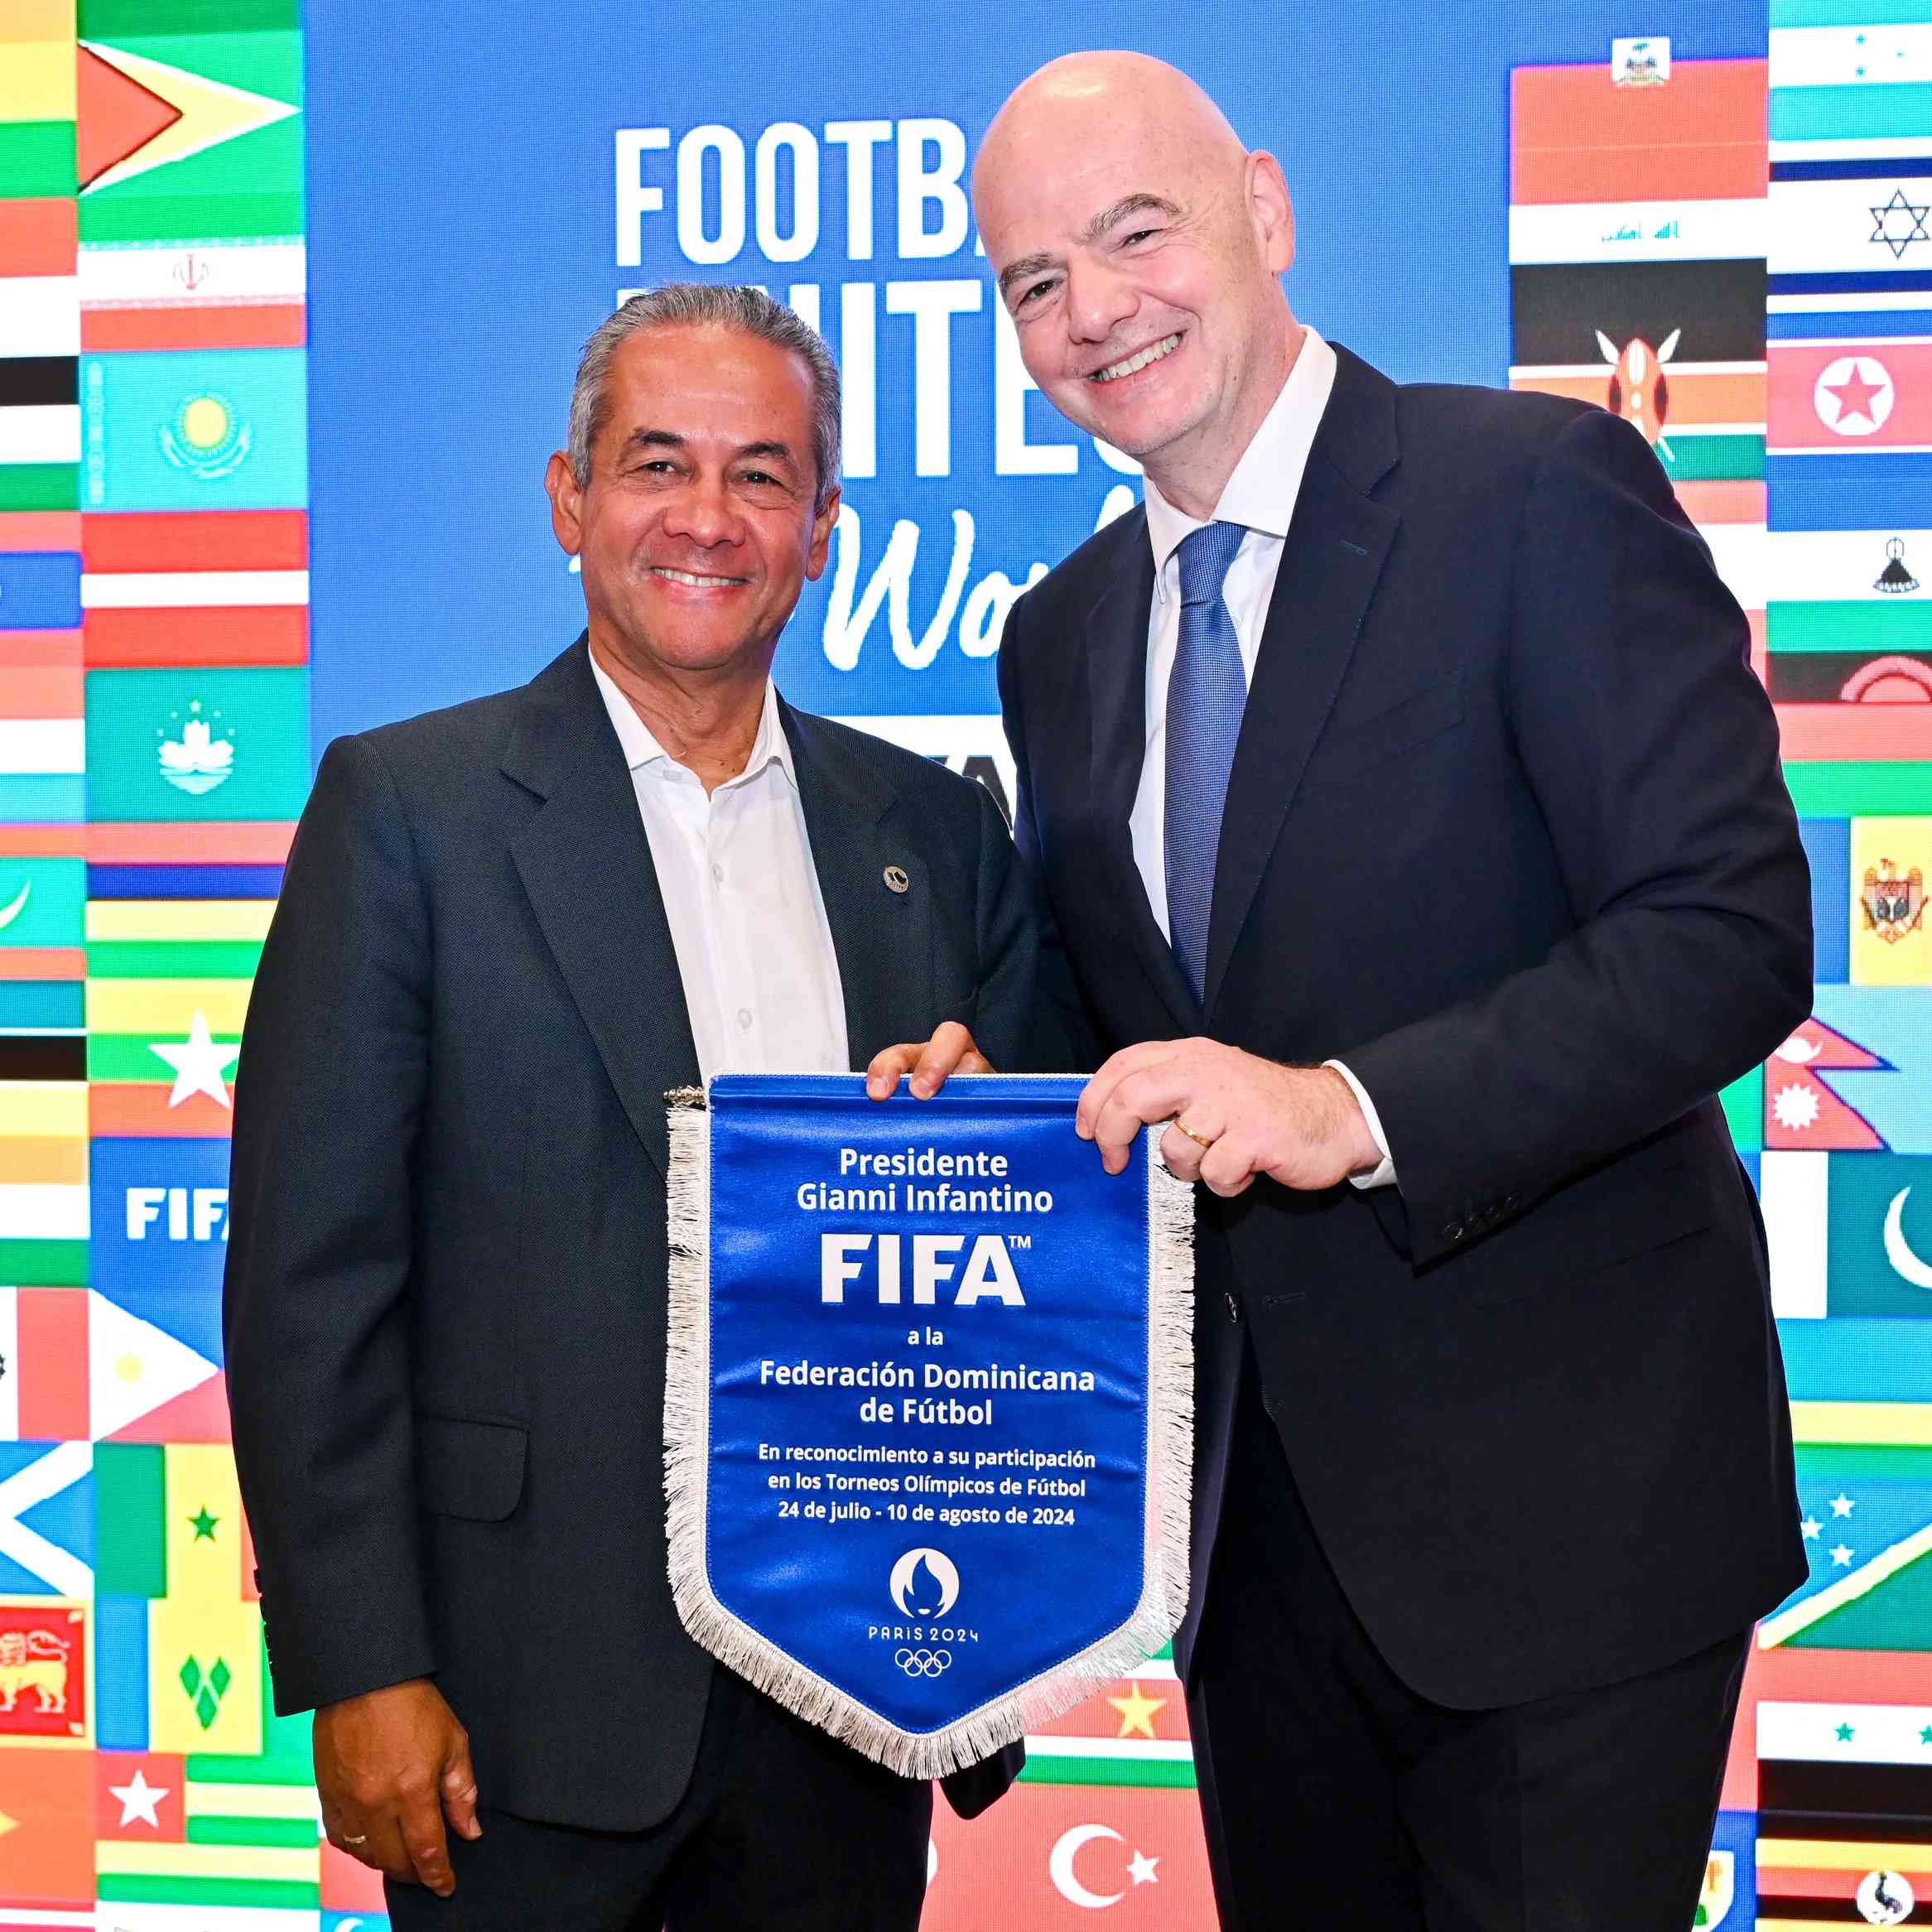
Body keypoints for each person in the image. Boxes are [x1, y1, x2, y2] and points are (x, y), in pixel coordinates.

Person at [952, 51, 1814, 1930]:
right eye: (1034, 281)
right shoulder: (1063, 640)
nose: (1093, 310)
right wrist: (985, 1092)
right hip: (1255, 1565)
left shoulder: (1533, 492)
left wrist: (1349, 1107)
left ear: (1264, 210)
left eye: (1135, 232)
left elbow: (1729, 925)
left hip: (1573, 1528)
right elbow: (1134, 1036)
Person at [223, 284, 1029, 1930]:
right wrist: (360, 1668)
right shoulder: (410, 811)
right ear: (569, 499)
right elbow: (312, 1280)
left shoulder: (934, 839)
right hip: (510, 1710)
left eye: (761, 474)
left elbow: (1028, 1241)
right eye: (658, 463)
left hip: (847, 1696)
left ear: (821, 528)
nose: (707, 519)